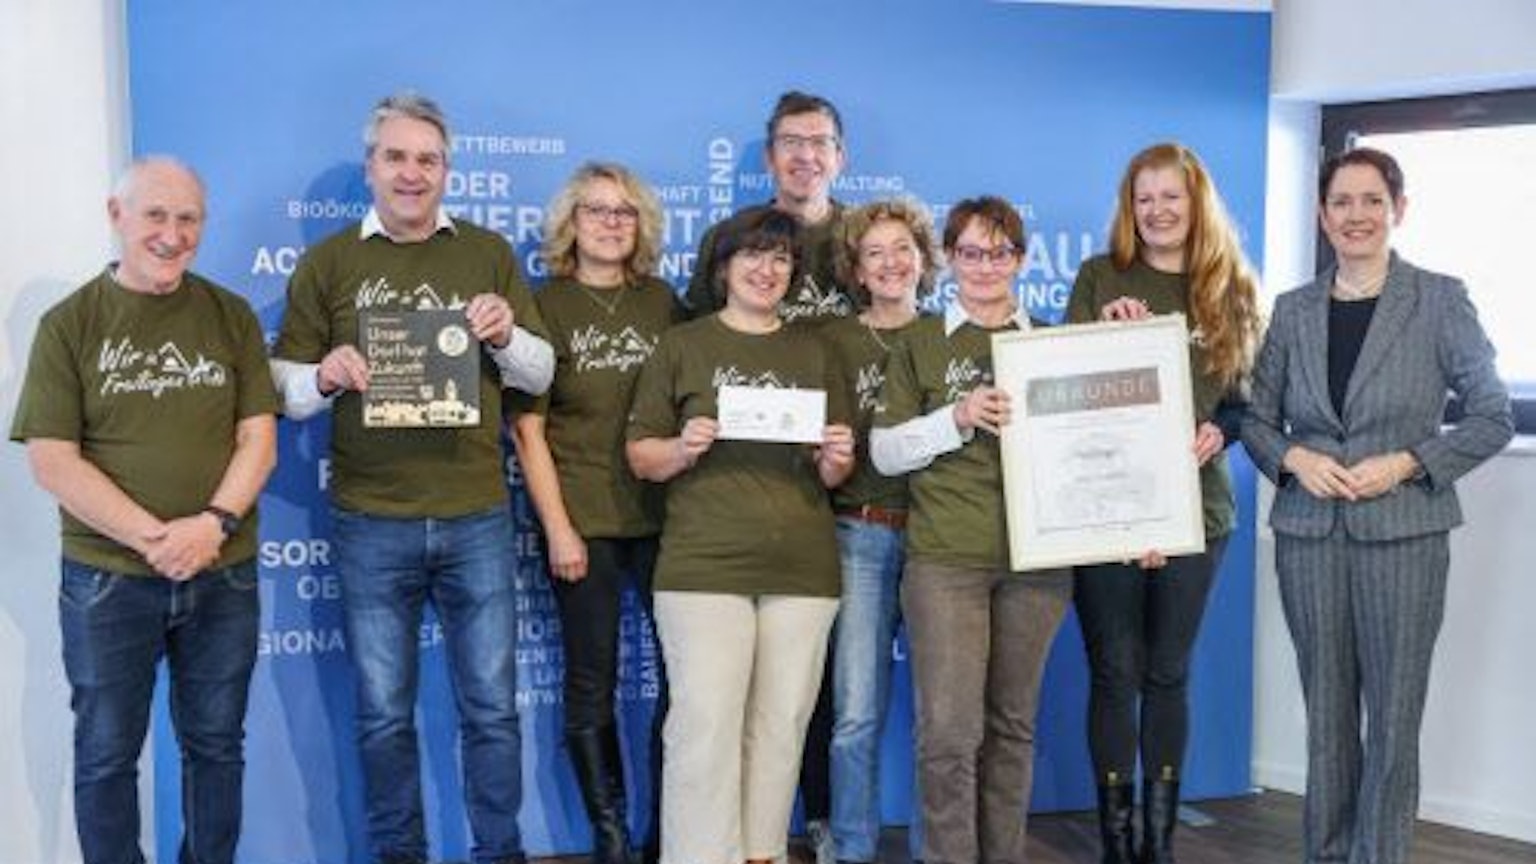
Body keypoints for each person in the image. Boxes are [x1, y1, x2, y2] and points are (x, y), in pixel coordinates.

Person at [269, 92, 553, 864]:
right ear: (371, 168)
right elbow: (282, 388)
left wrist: (505, 336)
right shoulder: (329, 262)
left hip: (476, 515)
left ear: (446, 170)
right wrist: (323, 376)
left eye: (427, 159)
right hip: (370, 518)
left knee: (493, 710)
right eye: (396, 157)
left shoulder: (488, 253)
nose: (411, 173)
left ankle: (500, 853)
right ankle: (400, 855)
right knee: (383, 715)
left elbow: (541, 370)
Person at [1242, 147, 1512, 864]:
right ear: (1323, 216)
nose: (1355, 215)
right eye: (1341, 202)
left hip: (1405, 537)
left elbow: (1493, 416)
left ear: (1398, 209)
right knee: (1326, 715)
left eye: (1371, 200)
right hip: (1309, 536)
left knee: (1393, 718)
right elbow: (1256, 420)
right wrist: (1293, 458)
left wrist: (1409, 462)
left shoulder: (1439, 299)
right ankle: (1326, 854)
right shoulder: (1294, 310)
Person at [11, 156, 278, 864]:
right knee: (105, 754)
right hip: (107, 581)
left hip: (224, 573)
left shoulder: (230, 316)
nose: (172, 233)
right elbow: (52, 459)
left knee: (216, 747)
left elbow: (259, 438)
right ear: (116, 215)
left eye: (187, 218)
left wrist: (212, 525)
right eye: (155, 215)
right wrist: (157, 539)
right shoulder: (69, 326)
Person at [626, 209, 855, 864]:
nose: (767, 269)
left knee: (781, 728)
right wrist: (682, 447)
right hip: (704, 568)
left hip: (803, 570)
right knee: (705, 727)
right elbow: (642, 456)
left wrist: (837, 454)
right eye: (752, 255)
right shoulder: (684, 345)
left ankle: (763, 854)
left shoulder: (816, 349)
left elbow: (836, 470)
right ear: (723, 266)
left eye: (781, 258)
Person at [1065, 142, 1262, 864]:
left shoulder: (1234, 288)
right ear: (1129, 205)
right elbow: (1064, 393)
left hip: (1195, 515)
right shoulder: (1099, 277)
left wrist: (1222, 430)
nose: (1157, 210)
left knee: (1168, 672)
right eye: (1144, 198)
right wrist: (1099, 337)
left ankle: (1159, 841)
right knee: (1115, 671)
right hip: (1105, 510)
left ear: (1196, 200)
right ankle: (1119, 845)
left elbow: (1247, 405)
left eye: (1170, 196)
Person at [870, 196, 1072, 864]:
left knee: (1012, 729)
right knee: (950, 733)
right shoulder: (920, 342)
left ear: (1020, 259)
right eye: (971, 252)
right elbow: (884, 451)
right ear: (949, 259)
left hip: (1038, 561)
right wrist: (954, 418)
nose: (986, 266)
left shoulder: (1050, 342)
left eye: (1001, 252)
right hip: (946, 560)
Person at [510, 162, 682, 864]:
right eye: (596, 210)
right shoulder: (543, 305)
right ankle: (609, 834)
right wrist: (558, 527)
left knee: (686, 683)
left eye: (624, 212)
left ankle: (667, 834)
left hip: (669, 522)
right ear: (568, 224)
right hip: (584, 523)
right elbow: (527, 429)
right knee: (592, 681)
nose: (611, 223)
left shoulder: (665, 302)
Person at [819, 198, 939, 864]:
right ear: (857, 271)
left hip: (939, 540)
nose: (891, 263)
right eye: (875, 253)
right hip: (859, 535)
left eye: (904, 248)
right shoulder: (833, 341)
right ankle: (853, 848)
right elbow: (824, 453)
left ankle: (935, 848)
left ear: (924, 259)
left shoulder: (951, 334)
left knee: (939, 718)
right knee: (856, 713)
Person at [685, 90, 854, 326]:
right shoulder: (724, 237)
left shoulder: (867, 239)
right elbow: (699, 338)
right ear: (769, 158)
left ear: (840, 159)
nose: (805, 155)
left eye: (820, 142)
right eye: (790, 142)